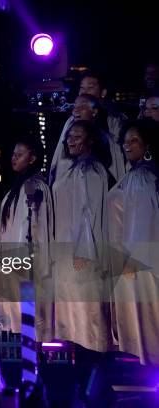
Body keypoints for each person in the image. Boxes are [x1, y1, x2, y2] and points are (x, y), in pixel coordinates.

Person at [51, 120, 111, 353]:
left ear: (91, 140)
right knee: (74, 327)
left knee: (89, 324)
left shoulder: (92, 171)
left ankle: (96, 382)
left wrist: (85, 252)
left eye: (76, 136)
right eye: (68, 136)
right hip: (67, 257)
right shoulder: (73, 169)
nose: (70, 140)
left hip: (83, 259)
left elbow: (91, 214)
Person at [107, 119, 159, 365]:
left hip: (139, 266)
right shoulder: (138, 176)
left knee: (148, 330)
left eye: (134, 140)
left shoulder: (141, 179)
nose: (127, 146)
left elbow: (142, 225)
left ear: (148, 145)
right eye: (125, 141)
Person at [0, 136, 53, 341]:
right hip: (14, 267)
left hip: (27, 268)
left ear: (33, 158)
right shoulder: (16, 189)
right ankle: (28, 369)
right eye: (13, 154)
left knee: (30, 324)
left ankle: (34, 369)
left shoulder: (36, 187)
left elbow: (39, 230)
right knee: (21, 324)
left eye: (20, 154)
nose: (14, 158)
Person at [50, 71, 126, 185]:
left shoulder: (115, 120)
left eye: (90, 88)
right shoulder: (71, 121)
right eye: (82, 88)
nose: (84, 92)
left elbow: (118, 159)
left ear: (103, 92)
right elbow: (59, 155)